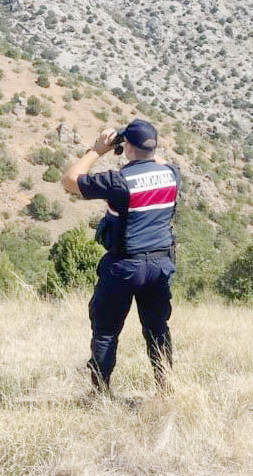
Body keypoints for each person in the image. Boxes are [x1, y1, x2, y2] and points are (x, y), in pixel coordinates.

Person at [61, 118, 180, 394]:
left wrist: (98, 150)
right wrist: (141, 148)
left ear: (127, 147)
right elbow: (156, 161)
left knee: (106, 330)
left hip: (125, 265)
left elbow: (69, 180)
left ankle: (100, 392)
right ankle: (166, 389)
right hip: (160, 264)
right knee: (157, 329)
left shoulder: (119, 181)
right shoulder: (172, 174)